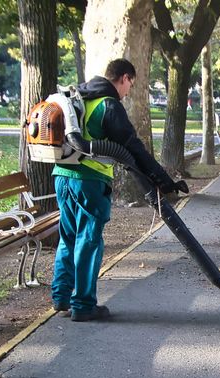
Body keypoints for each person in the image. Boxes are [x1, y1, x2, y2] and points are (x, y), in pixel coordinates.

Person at [51, 58, 185, 322]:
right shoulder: (107, 104)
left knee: (68, 238)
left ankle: (61, 297)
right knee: (89, 240)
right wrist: (162, 179)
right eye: (130, 85)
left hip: (62, 176)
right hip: (90, 181)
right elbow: (132, 147)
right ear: (124, 78)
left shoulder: (79, 97)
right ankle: (83, 305)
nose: (127, 92)